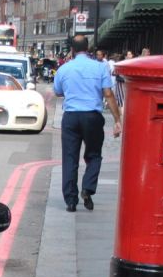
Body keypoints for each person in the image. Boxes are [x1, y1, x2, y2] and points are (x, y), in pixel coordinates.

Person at [52, 34, 122, 212]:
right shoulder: (100, 68)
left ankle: (70, 201)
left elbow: (58, 92)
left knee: (70, 158)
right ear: (88, 48)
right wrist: (117, 120)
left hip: (71, 117)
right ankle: (87, 188)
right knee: (94, 155)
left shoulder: (64, 69)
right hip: (92, 116)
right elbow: (108, 94)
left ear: (73, 50)